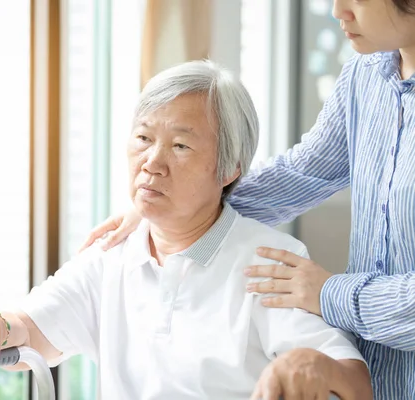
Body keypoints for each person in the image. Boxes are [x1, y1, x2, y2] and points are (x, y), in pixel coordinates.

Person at [0, 61, 372, 400]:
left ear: (229, 168)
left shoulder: (270, 259)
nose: (152, 162)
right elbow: (32, 328)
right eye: (144, 138)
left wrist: (312, 366)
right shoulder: (112, 252)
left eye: (181, 146)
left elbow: (355, 382)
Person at [81, 0, 415, 398]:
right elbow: (302, 172)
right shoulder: (366, 76)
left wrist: (328, 293)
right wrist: (167, 204)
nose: (338, 11)